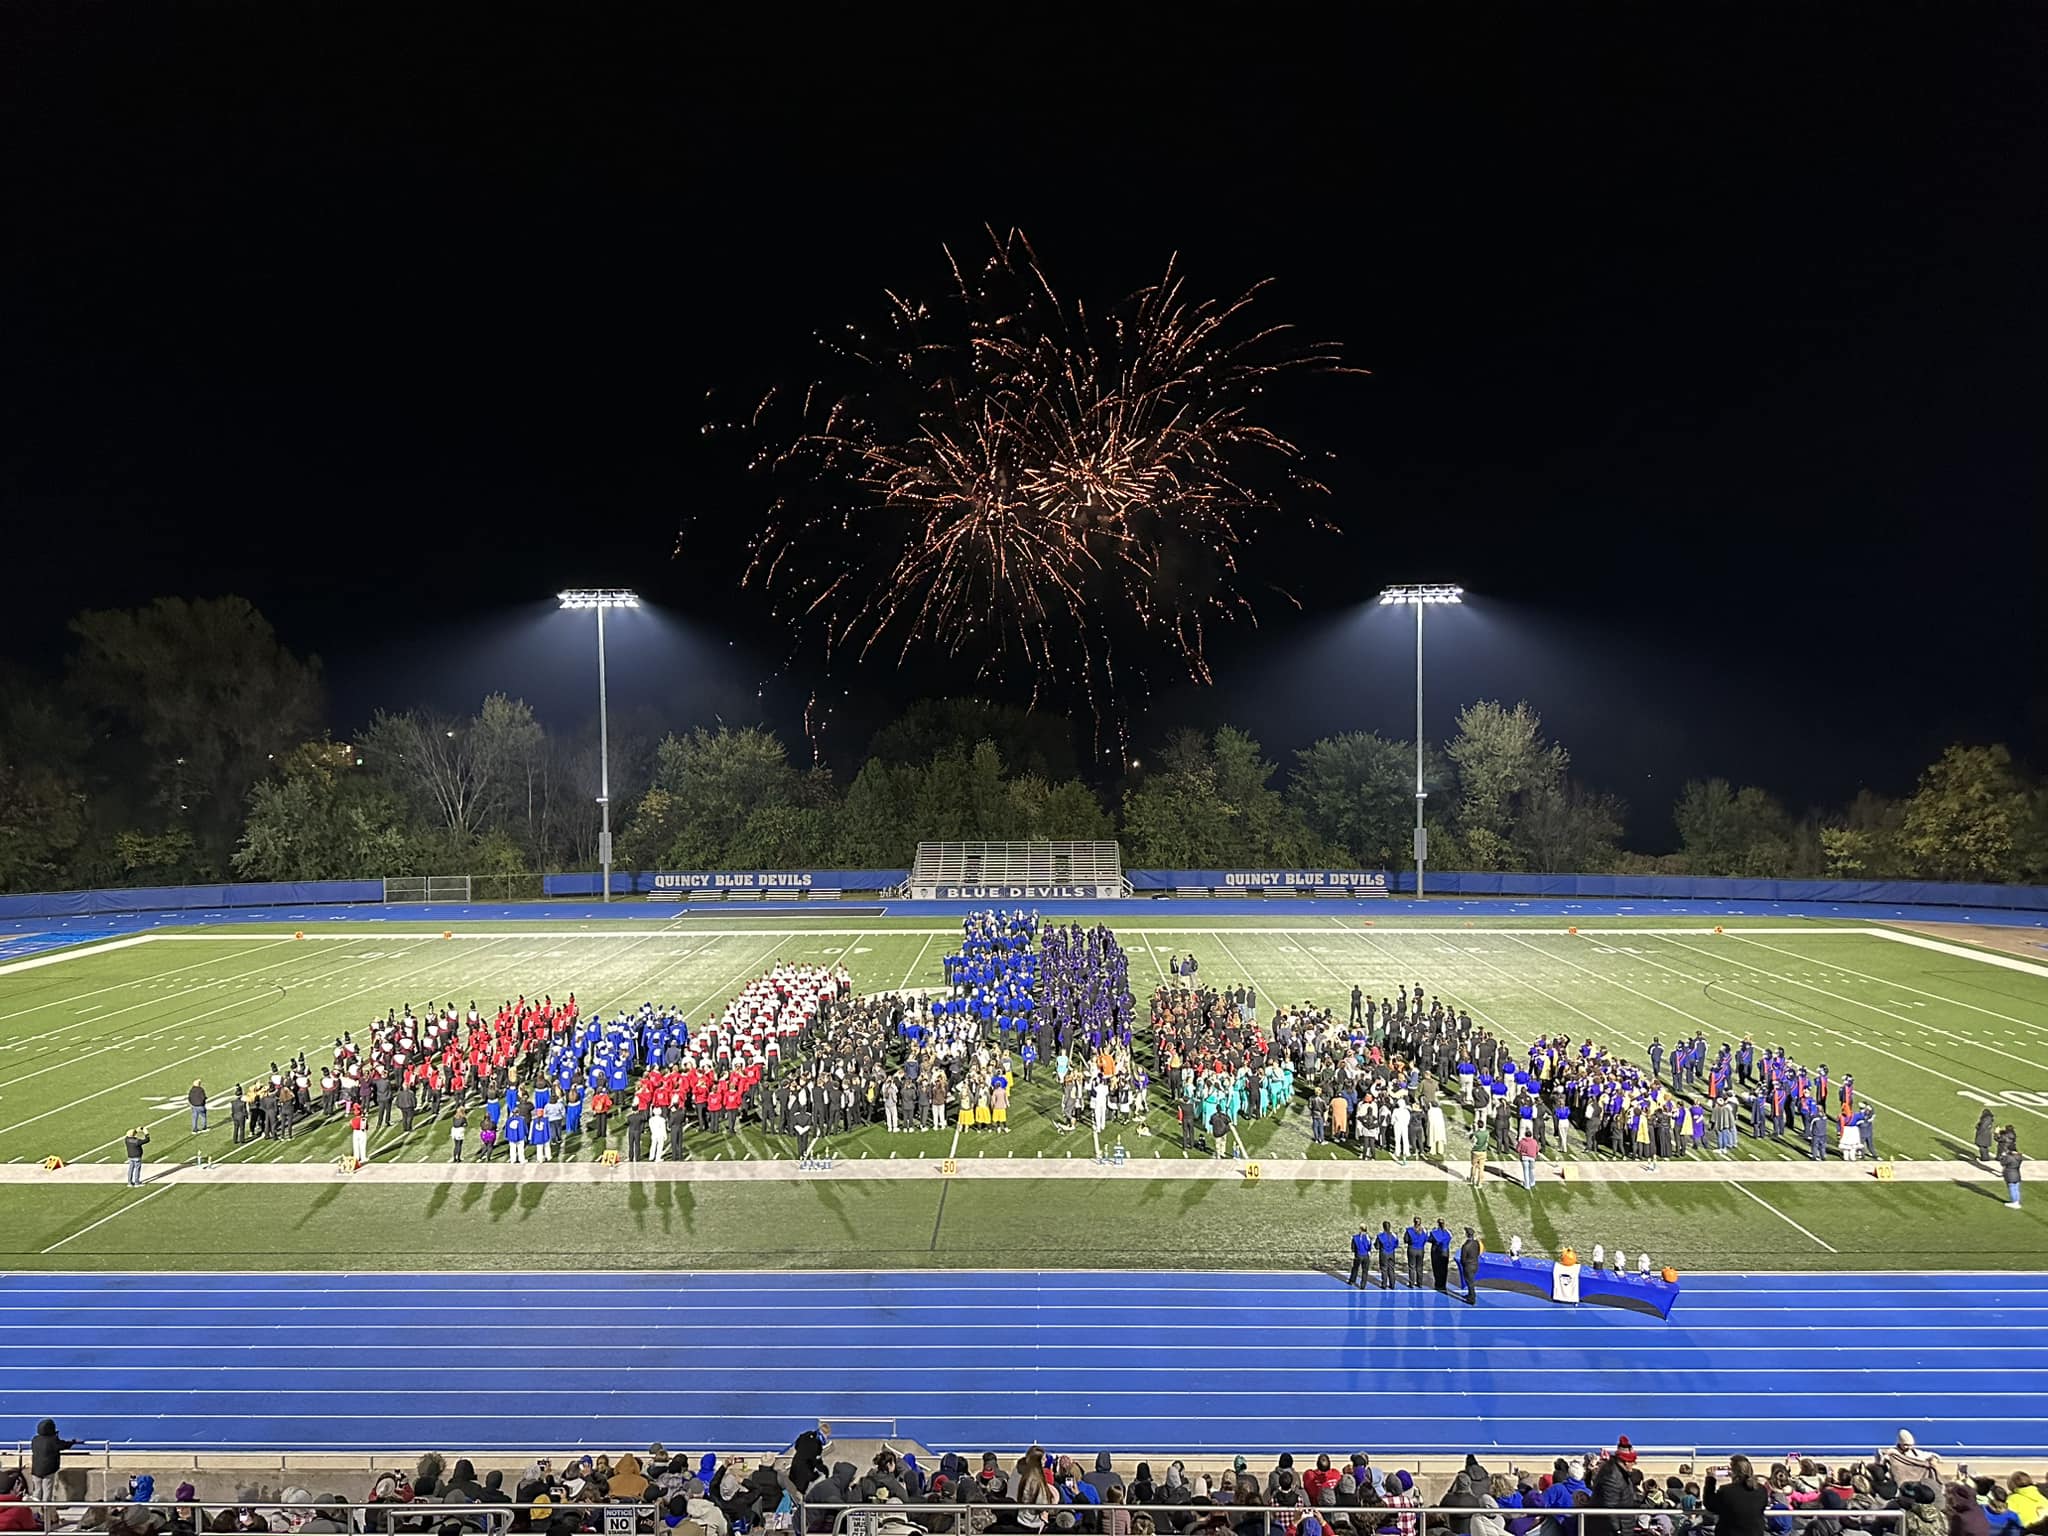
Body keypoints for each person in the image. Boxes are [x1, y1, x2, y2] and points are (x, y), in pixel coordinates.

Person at [1705, 1457, 1768, 1536]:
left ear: (1734, 1472)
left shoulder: (1726, 1491)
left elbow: (1710, 1505)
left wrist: (1710, 1479)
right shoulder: (1761, 1490)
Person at [30, 1419, 80, 1508]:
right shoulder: (52, 1440)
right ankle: (45, 1515)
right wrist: (72, 1442)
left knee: (37, 1492)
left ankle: (34, 1512)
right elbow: (63, 1445)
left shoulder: (35, 1440)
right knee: (47, 1493)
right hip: (48, 1470)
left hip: (36, 1470)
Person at [1457, 1226, 1482, 1305]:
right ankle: (1470, 1295)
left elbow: (1463, 1259)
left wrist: (1464, 1265)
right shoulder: (1476, 1243)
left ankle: (1472, 1299)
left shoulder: (1465, 1246)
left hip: (1468, 1266)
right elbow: (1478, 1252)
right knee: (1470, 1281)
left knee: (1470, 1283)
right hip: (1475, 1264)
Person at [1374, 1221, 1399, 1290]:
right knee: (1391, 1269)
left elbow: (1377, 1246)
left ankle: (1384, 1284)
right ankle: (1392, 1284)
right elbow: (1396, 1244)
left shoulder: (1380, 1236)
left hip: (1383, 1253)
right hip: (1391, 1253)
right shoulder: (1394, 1235)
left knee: (1384, 1269)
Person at [2000, 1144, 2023, 1209]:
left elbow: (2002, 1163)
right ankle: (2017, 1201)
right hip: (2017, 1174)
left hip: (2010, 1175)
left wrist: (2003, 1156)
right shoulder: (2019, 1157)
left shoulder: (2009, 1157)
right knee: (2016, 1188)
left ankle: (2014, 1202)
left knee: (2012, 1188)